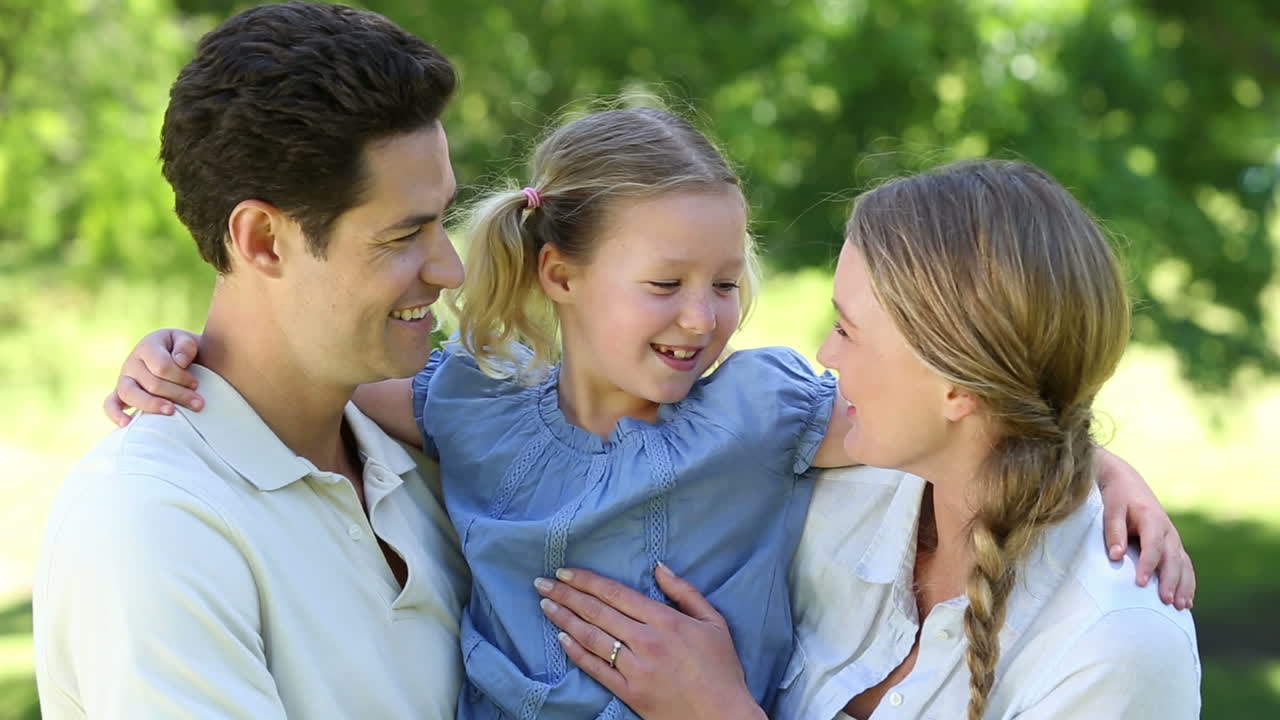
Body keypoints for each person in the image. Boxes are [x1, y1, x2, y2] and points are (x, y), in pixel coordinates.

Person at [109, 110, 1192, 718]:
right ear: (559, 275)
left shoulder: (762, 420)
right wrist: (183, 355)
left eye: (726, 283)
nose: (712, 319)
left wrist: (1097, 472)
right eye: (665, 283)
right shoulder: (476, 409)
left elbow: (1005, 425)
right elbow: (308, 375)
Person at [532, 160, 1200, 719]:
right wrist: (1104, 466)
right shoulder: (839, 485)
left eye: (848, 331)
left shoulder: (1114, 645)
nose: (825, 354)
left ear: (957, 389)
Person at [33, 3, 470, 718]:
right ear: (264, 239)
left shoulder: (421, 447)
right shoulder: (151, 521)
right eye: (405, 235)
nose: (449, 268)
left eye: (442, 219)